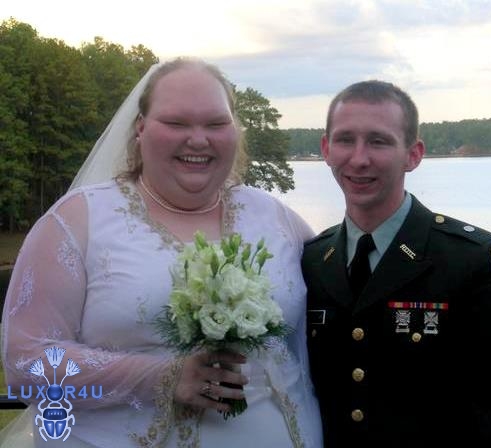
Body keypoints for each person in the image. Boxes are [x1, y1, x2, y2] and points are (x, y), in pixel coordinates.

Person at [1, 57, 323, 447]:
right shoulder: (76, 223)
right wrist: (162, 377)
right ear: (140, 129)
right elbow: (25, 365)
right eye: (176, 123)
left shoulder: (277, 219)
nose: (199, 140)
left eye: (216, 124)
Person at [302, 80, 491, 445]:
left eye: (379, 141)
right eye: (345, 140)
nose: (359, 158)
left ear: (413, 154)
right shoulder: (314, 259)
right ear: (326, 150)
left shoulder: (472, 259)